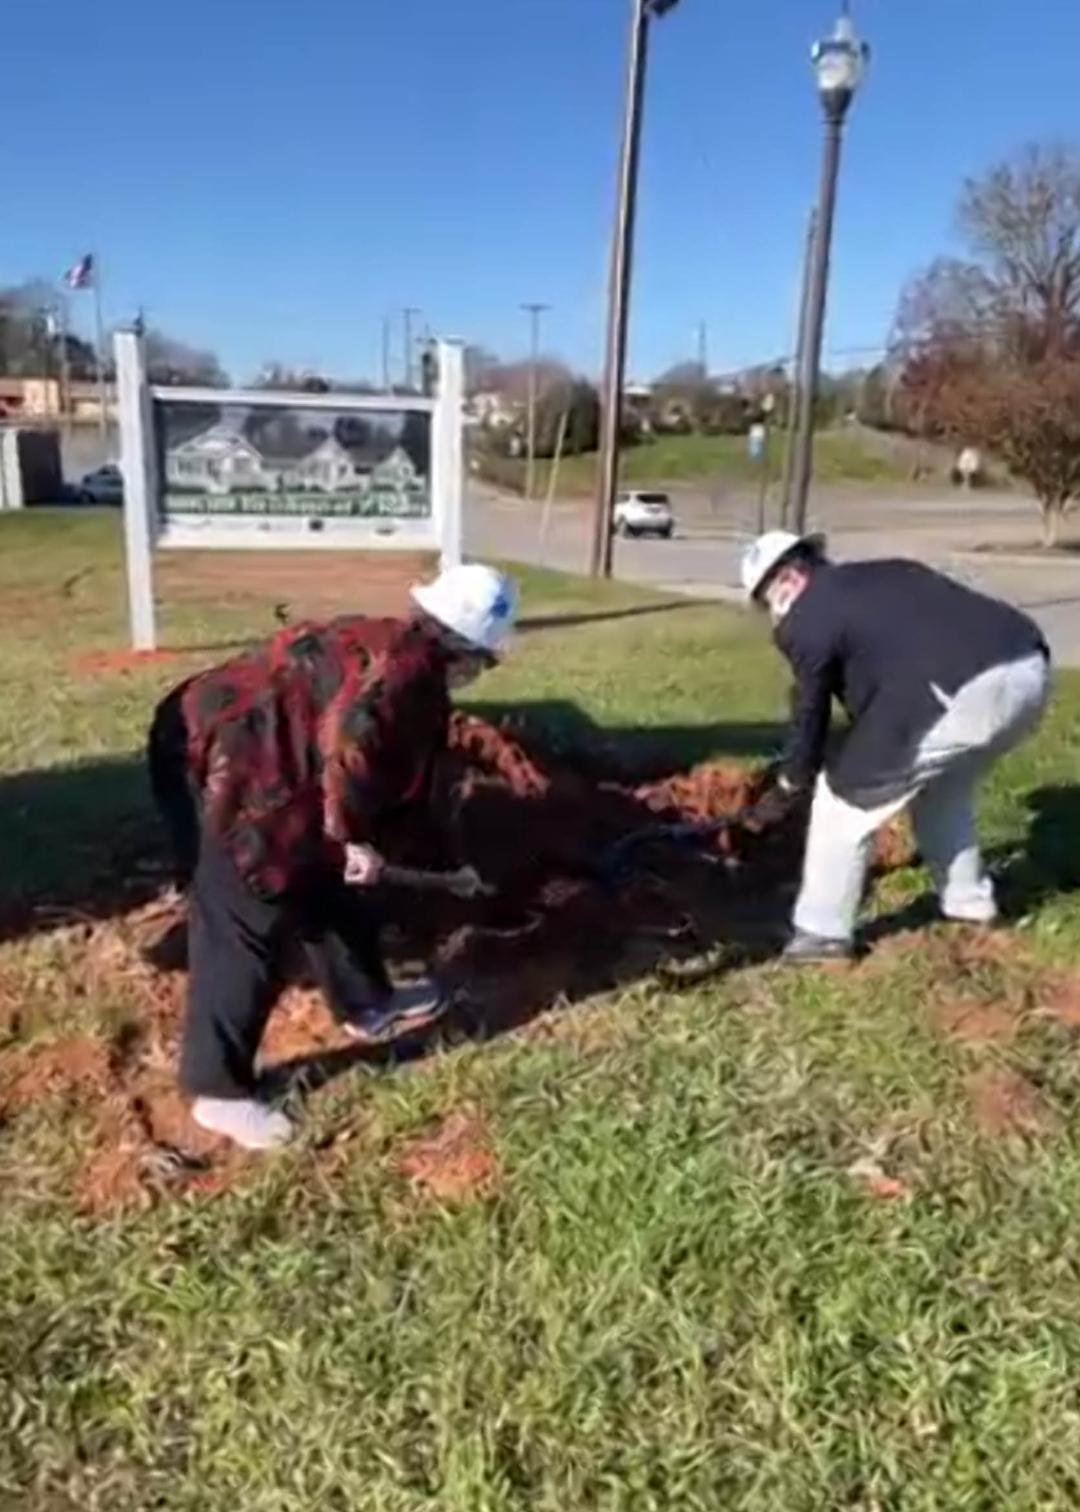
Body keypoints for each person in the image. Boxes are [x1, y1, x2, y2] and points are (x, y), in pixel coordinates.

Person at [147, 563, 519, 1150]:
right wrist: (351, 838)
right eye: (486, 660)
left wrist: (360, 847)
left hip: (225, 739)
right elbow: (350, 746)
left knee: (324, 880)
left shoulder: (388, 638)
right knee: (247, 917)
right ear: (470, 651)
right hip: (223, 763)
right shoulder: (410, 681)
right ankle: (218, 1092)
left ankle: (366, 1001)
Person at [741, 531, 1051, 963]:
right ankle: (969, 907)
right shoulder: (886, 572)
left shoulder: (804, 615)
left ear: (781, 587)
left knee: (842, 800)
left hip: (957, 691)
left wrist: (791, 783)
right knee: (941, 791)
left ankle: (821, 935)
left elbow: (810, 712)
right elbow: (896, 657)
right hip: (1028, 669)